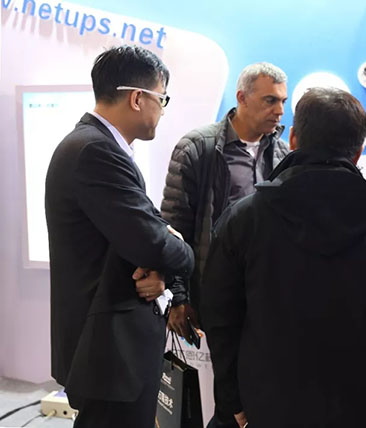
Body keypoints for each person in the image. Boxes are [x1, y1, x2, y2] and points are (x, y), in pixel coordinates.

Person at [200, 87, 366, 428]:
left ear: (294, 138)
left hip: (271, 405)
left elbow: (219, 315)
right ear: (359, 151)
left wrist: (233, 398)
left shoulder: (244, 219)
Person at [45, 45, 194, 428]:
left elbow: (136, 237)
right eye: (162, 99)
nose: (163, 110)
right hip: (110, 350)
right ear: (137, 98)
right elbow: (153, 241)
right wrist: (181, 249)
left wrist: (158, 263)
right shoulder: (96, 151)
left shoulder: (94, 145)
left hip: (109, 346)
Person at [161, 62, 289, 340]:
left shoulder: (282, 153)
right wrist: (179, 297)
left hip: (265, 299)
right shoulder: (198, 148)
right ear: (242, 97)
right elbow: (174, 228)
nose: (279, 110)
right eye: (270, 100)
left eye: (283, 101)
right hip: (211, 297)